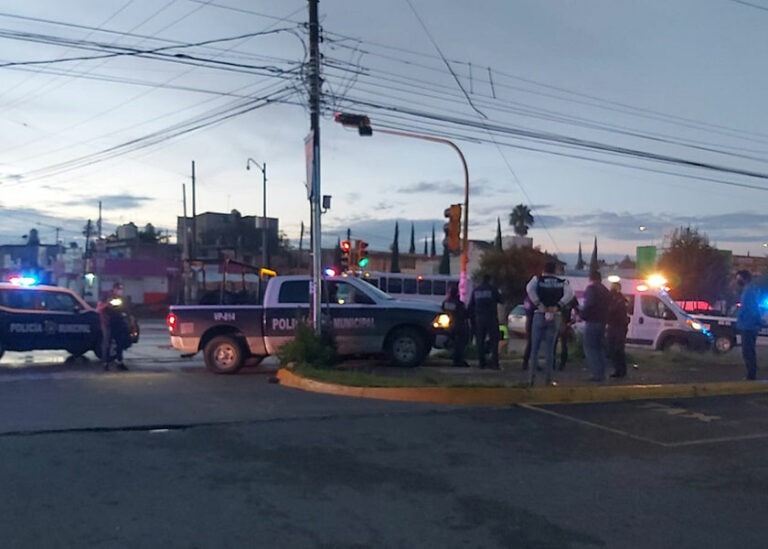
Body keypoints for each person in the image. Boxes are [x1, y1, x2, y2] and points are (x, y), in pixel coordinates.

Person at [525, 261, 574, 386]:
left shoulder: (537, 279)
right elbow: (570, 294)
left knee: (534, 348)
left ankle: (531, 379)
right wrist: (558, 306)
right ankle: (548, 379)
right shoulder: (562, 282)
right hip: (555, 315)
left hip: (539, 313)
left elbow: (529, 289)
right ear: (555, 270)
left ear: (544, 269)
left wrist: (538, 304)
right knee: (550, 349)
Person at [580, 270, 610, 381]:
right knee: (600, 349)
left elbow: (588, 304)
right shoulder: (606, 290)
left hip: (592, 321)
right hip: (602, 322)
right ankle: (602, 373)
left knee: (590, 348)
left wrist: (582, 314)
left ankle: (596, 374)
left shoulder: (592, 289)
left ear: (590, 278)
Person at [467, 274, 502, 369]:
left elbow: (471, 306)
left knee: (480, 342)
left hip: (479, 319)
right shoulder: (493, 289)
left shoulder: (476, 290)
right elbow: (501, 300)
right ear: (489, 280)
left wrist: (471, 319)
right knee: (494, 341)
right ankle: (495, 363)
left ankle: (481, 363)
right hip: (491, 319)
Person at [735, 270, 762, 380]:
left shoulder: (748, 292)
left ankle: (751, 375)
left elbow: (751, 309)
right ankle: (751, 373)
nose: (737, 280)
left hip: (748, 326)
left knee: (748, 351)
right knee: (748, 351)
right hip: (747, 325)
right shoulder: (748, 291)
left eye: (738, 278)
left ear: (744, 279)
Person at [98, 282, 130, 371]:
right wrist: (107, 304)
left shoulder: (122, 298)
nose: (120, 291)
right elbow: (99, 308)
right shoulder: (106, 296)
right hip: (108, 323)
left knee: (120, 342)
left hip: (119, 322)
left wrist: (127, 319)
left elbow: (126, 310)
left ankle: (119, 361)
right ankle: (105, 363)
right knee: (107, 342)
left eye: (121, 289)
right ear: (114, 289)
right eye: (118, 289)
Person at [606, 282, 630, 378]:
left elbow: (613, 310)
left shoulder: (620, 299)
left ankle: (621, 370)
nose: (611, 289)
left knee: (618, 349)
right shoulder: (613, 298)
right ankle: (617, 370)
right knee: (612, 349)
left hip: (619, 327)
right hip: (612, 326)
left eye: (613, 288)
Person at [442, 284, 469, 368]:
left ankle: (454, 359)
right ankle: (458, 360)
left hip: (449, 326)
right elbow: (464, 314)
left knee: (454, 344)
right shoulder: (459, 303)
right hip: (459, 325)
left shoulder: (445, 302)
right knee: (460, 345)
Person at [556, 295, 580, 371]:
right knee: (563, 344)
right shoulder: (571, 297)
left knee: (558, 343)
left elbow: (578, 310)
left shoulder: (558, 294)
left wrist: (573, 320)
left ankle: (558, 364)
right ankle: (561, 364)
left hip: (560, 322)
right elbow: (578, 310)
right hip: (563, 322)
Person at [520, 295, 535, 371]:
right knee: (532, 343)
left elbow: (527, 309)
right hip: (533, 320)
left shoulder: (527, 299)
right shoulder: (532, 298)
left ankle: (526, 363)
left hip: (529, 320)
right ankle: (527, 363)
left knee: (530, 343)